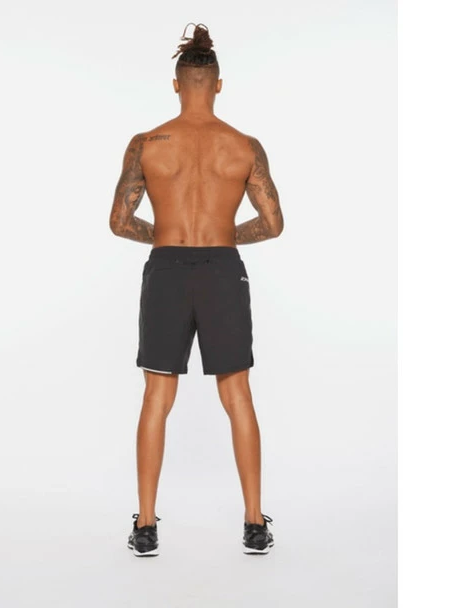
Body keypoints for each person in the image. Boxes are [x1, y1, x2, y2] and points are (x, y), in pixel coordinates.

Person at [109, 23, 283, 556]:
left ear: (176, 85)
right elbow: (272, 223)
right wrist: (221, 235)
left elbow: (120, 221)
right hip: (222, 270)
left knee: (156, 397)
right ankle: (254, 523)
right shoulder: (243, 147)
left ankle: (145, 526)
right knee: (238, 395)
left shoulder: (147, 144)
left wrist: (166, 235)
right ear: (219, 85)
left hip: (166, 268)